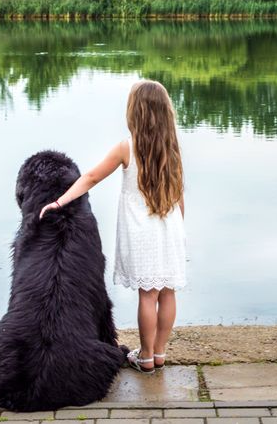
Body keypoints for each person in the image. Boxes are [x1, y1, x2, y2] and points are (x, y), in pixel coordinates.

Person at [40, 80, 187, 374]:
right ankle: (159, 353)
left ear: (136, 112)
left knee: (148, 294)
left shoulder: (127, 147)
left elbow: (92, 177)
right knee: (167, 292)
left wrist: (60, 201)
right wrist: (181, 229)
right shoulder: (172, 146)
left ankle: (144, 357)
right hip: (170, 228)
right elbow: (180, 192)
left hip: (141, 232)